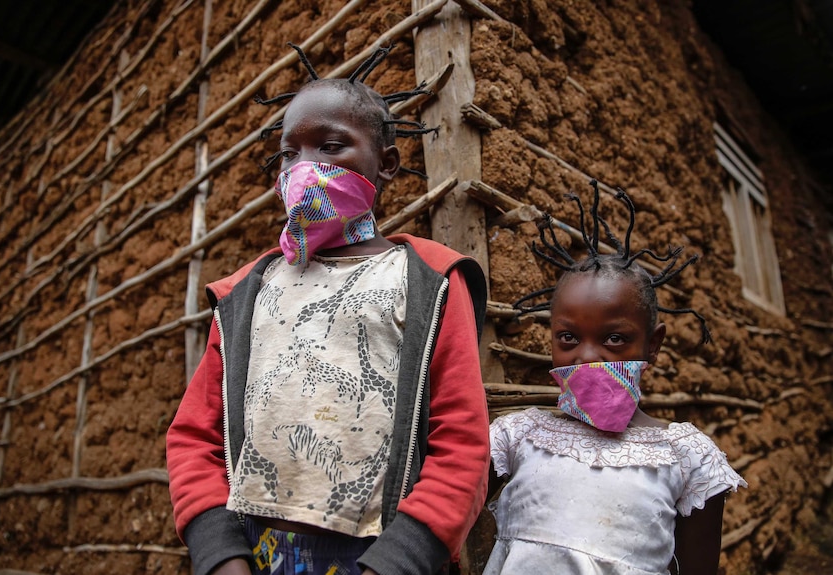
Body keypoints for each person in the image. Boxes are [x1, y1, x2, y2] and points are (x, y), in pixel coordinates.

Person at [165, 45, 490, 575]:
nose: (304, 167)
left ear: (385, 165)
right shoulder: (245, 293)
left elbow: (462, 439)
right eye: (289, 154)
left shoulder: (429, 281)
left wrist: (401, 559)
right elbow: (194, 434)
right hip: (254, 555)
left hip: (381, 558)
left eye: (331, 146)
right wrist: (220, 555)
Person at [484, 181, 747, 575]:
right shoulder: (516, 437)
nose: (588, 357)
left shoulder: (686, 457)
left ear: (653, 345)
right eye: (569, 338)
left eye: (614, 338)